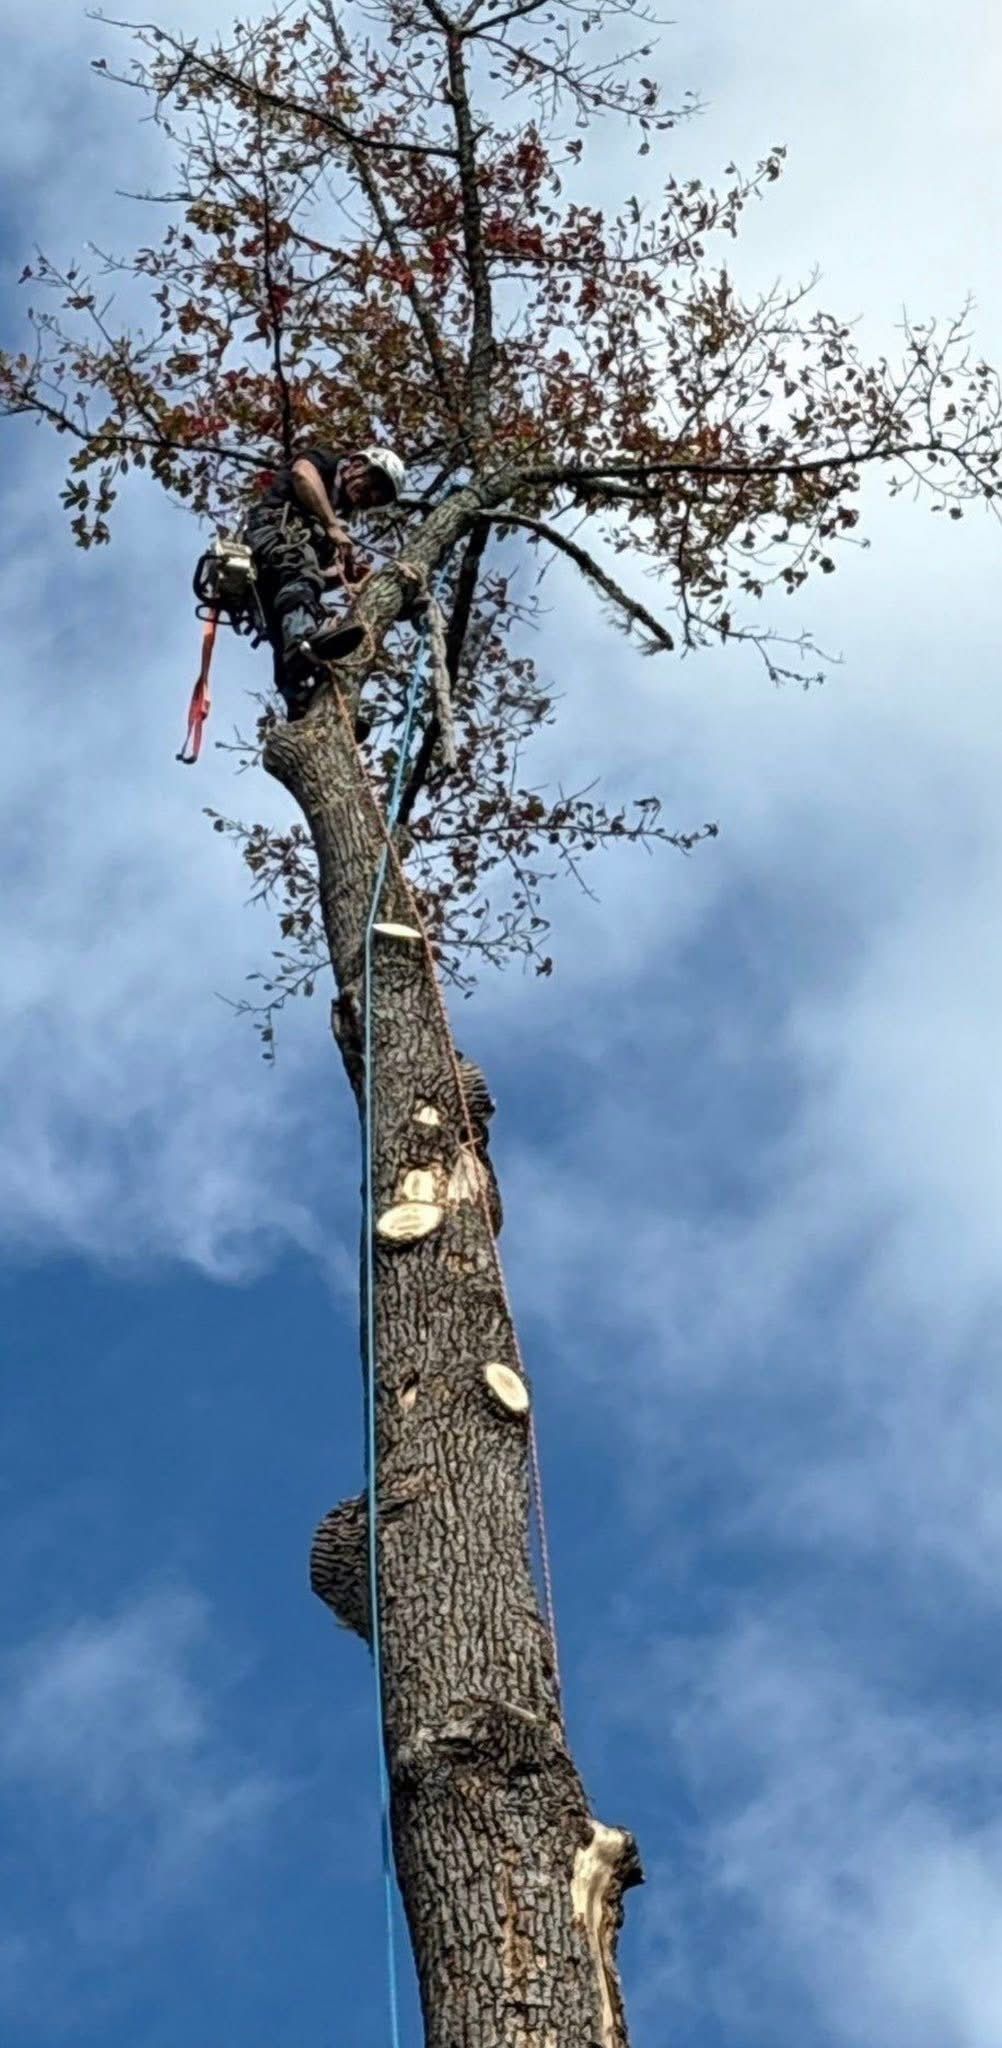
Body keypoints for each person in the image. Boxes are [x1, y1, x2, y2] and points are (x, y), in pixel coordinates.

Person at [244, 444, 406, 719]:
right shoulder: (326, 462)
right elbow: (302, 474)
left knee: (284, 628)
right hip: (272, 536)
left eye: (377, 499)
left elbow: (310, 578)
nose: (370, 498)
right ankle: (302, 641)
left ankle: (307, 707)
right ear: (357, 464)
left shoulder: (335, 514)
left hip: (279, 577)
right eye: (373, 485)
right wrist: (332, 525)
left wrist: (342, 577)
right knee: (298, 582)